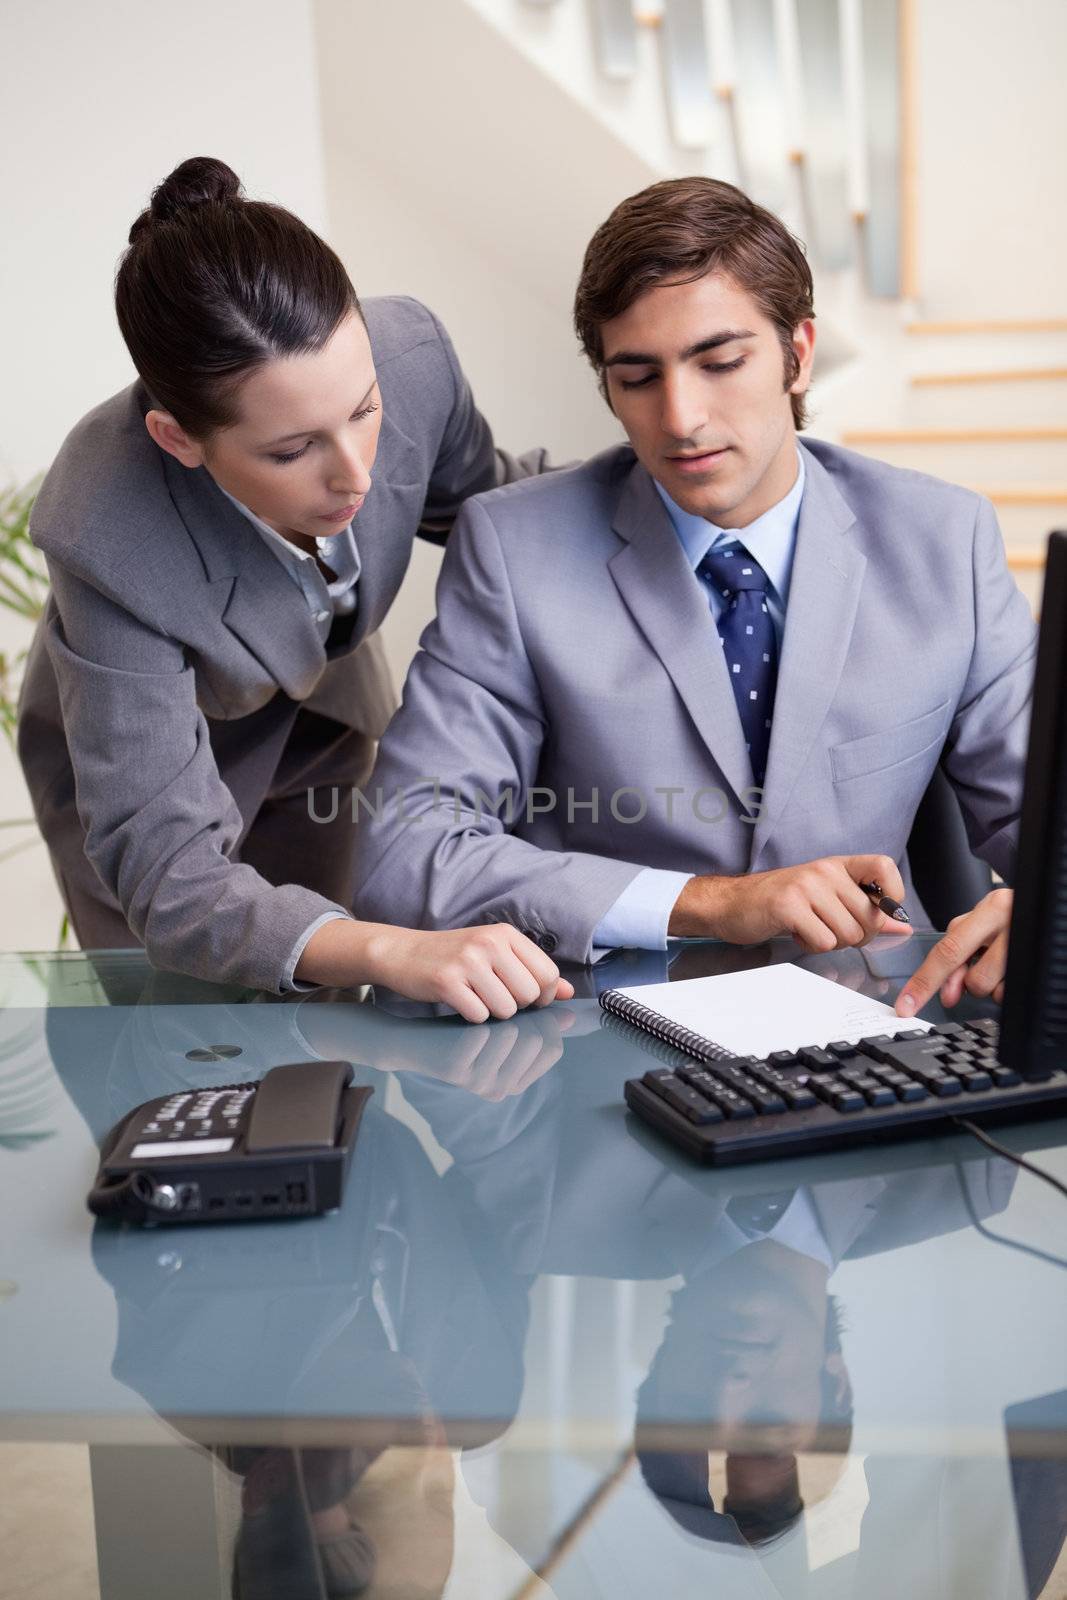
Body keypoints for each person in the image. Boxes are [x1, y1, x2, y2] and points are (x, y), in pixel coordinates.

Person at [352, 176, 1033, 1015]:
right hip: (600, 1042)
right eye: (637, 377)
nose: (680, 417)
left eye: (720, 362)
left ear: (798, 353)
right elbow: (407, 850)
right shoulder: (513, 549)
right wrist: (708, 903)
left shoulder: (943, 541)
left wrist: (1042, 903)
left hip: (883, 1017)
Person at [17, 156, 572, 1018]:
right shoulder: (105, 531)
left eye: (363, 410)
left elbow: (488, 504)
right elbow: (174, 886)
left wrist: (672, 475)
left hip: (324, 713)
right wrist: (395, 945)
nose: (356, 473)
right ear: (178, 439)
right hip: (143, 757)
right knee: (188, 1038)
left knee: (332, 1022)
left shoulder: (412, 356)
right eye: (290, 450)